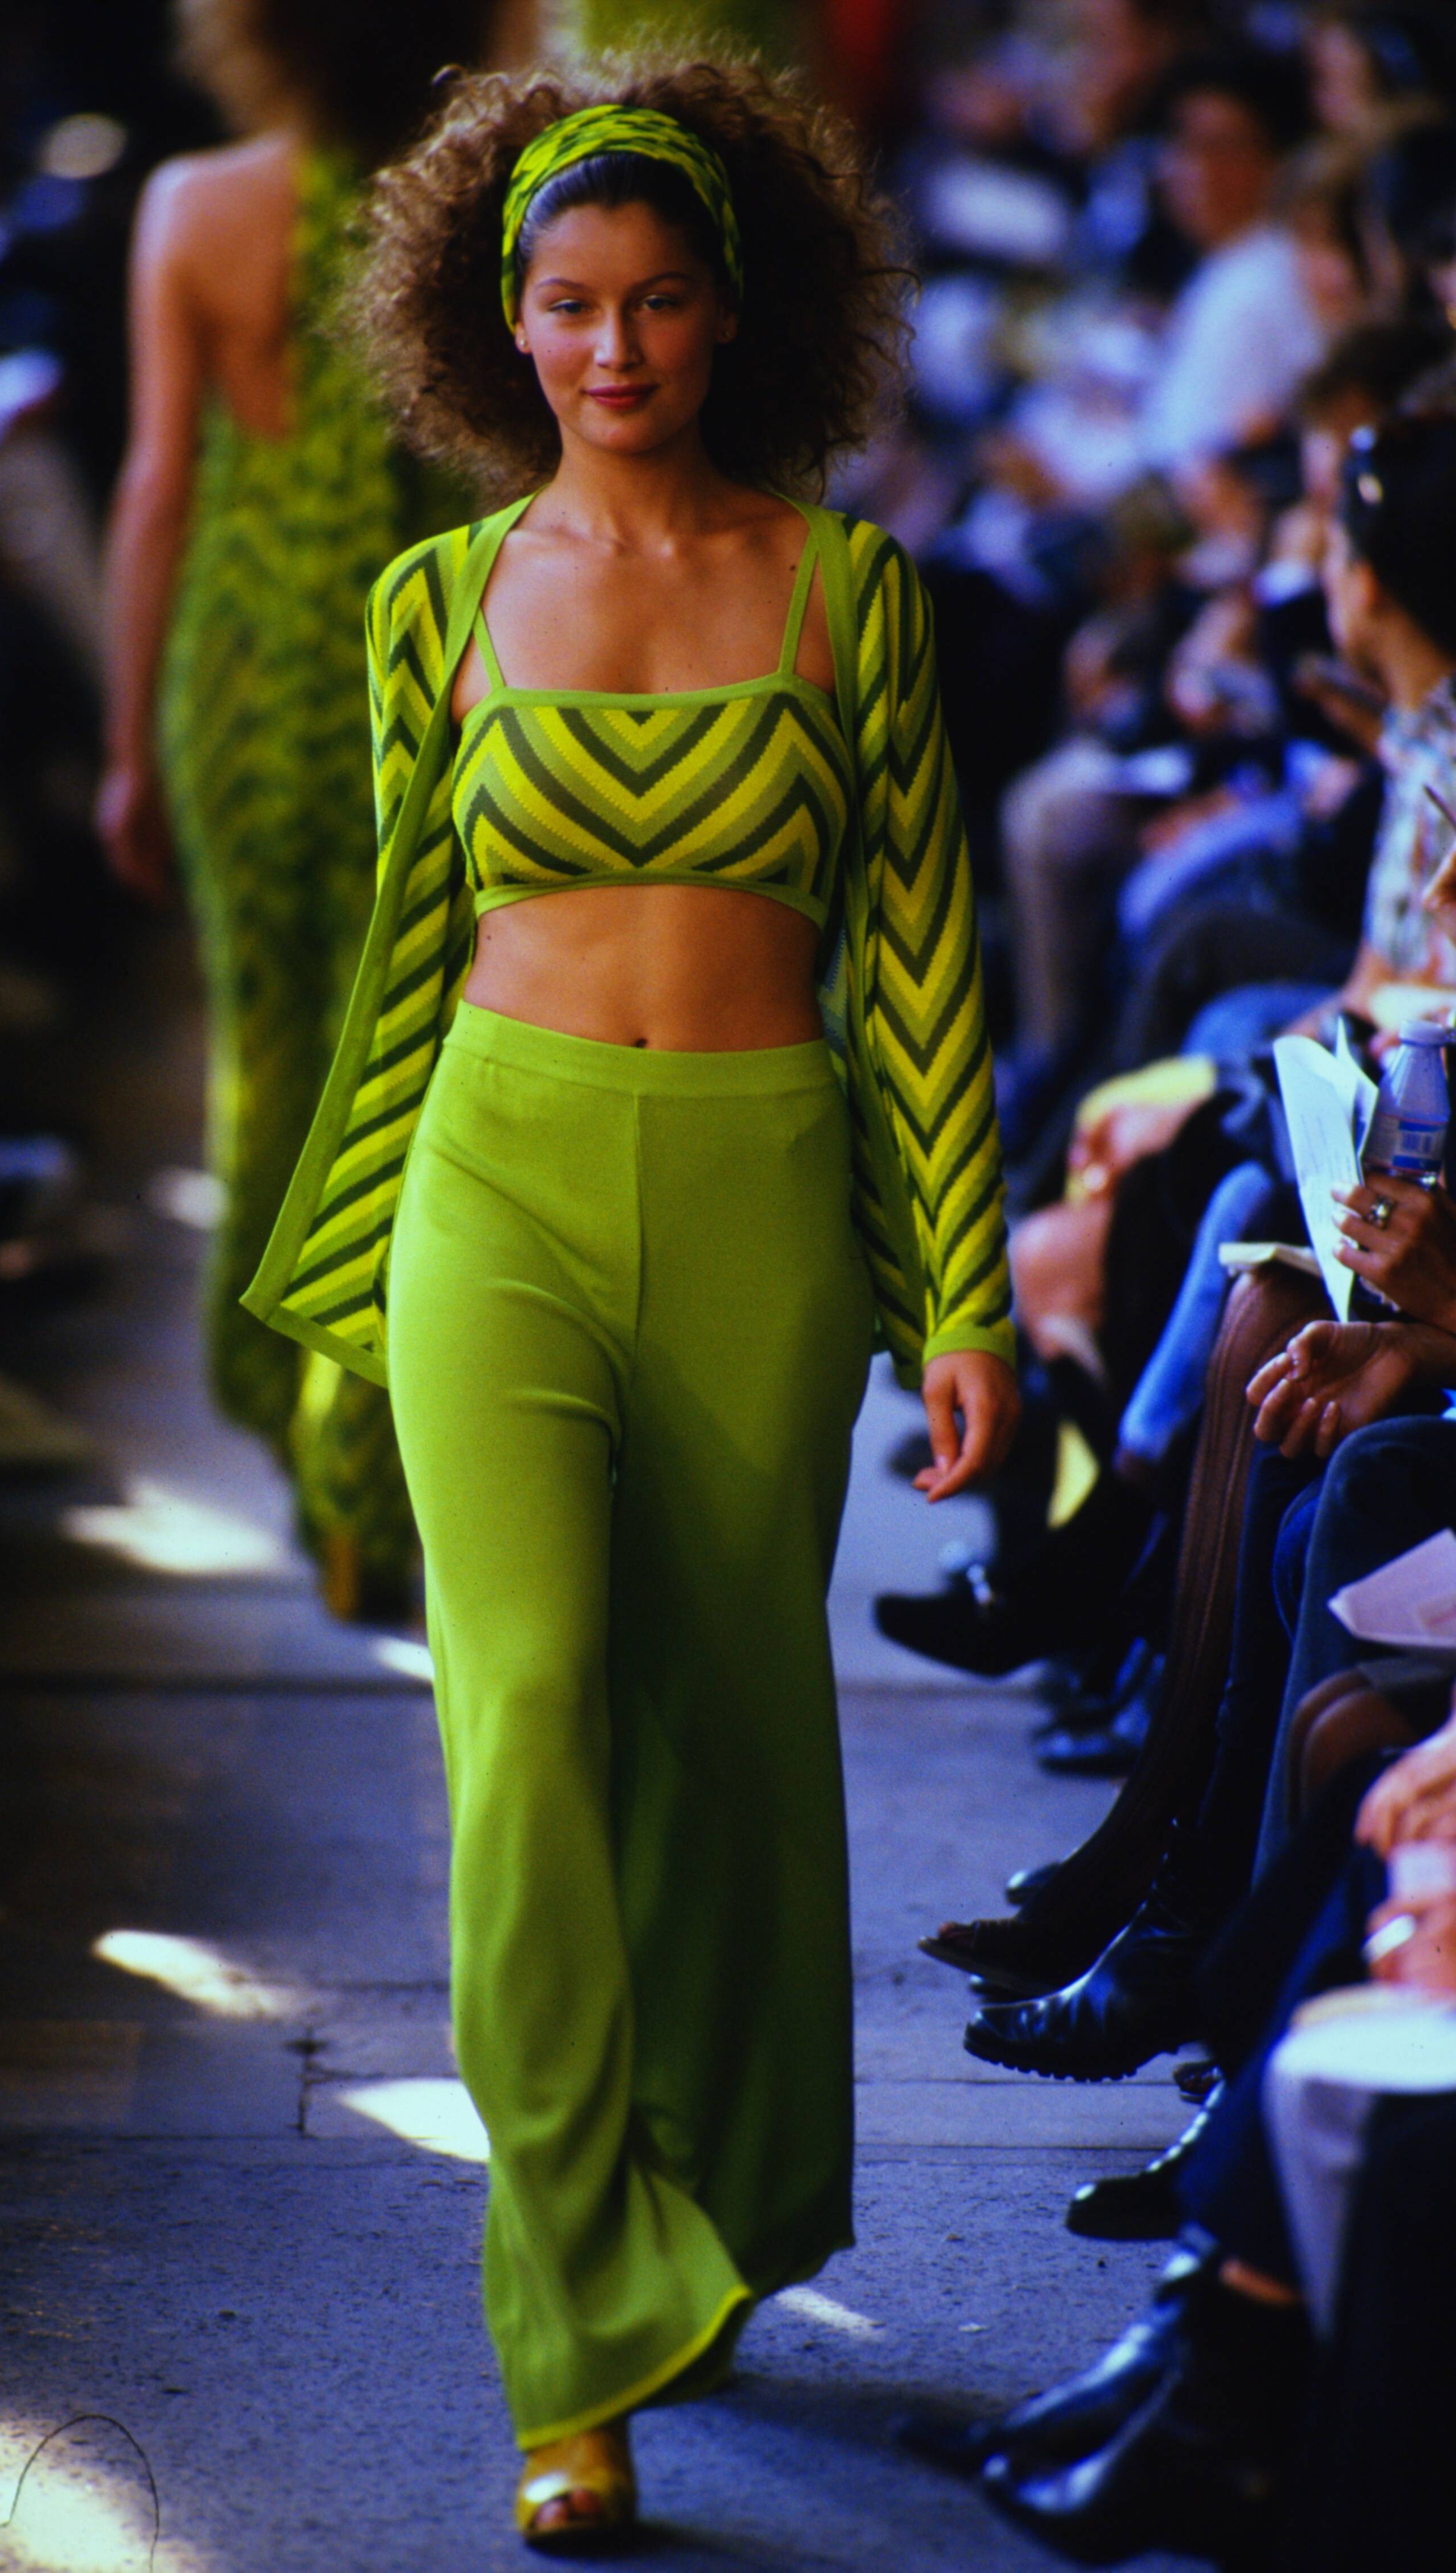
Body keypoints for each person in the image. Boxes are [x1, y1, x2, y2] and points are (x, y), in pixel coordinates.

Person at [241, 56, 1019, 2550]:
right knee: (528, 1733)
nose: (615, 347)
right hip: (498, 1187)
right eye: (570, 304)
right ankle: (570, 2332)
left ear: (734, 317)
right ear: (500, 321)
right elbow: (399, 968)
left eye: (662, 301)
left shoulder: (851, 592)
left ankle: (727, 2201)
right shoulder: (432, 607)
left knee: (729, 1740)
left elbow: (922, 967)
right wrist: (345, 1324)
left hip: (769, 1199)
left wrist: (969, 1303)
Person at [99, 2, 490, 1619]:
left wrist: (128, 740)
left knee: (268, 1055)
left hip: (243, 675)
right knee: (409, 1070)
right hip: (430, 673)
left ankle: (285, 1408)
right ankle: (371, 1461)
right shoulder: (477, 201)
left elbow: (160, 486)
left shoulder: (195, 208)